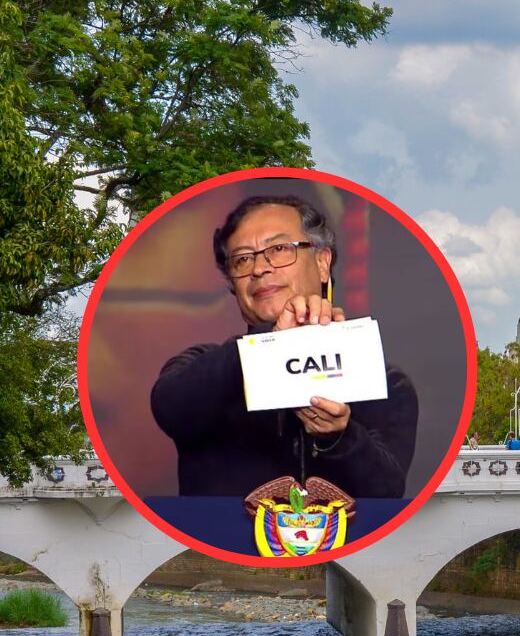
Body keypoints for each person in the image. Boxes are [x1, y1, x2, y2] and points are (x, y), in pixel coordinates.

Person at [151, 195, 418, 499]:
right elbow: (171, 408)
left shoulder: (382, 381)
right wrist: (270, 343)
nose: (259, 268)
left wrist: (338, 437)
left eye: (278, 249)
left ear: (322, 262)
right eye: (242, 259)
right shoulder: (202, 364)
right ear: (232, 286)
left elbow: (387, 491)